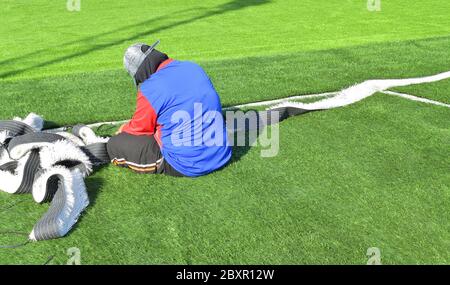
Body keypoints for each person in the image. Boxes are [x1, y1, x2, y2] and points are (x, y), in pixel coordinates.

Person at [107, 40, 232, 177]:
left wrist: (123, 129)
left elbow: (140, 128)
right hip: (221, 153)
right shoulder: (192, 67)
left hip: (186, 163)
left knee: (114, 144)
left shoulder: (150, 88)